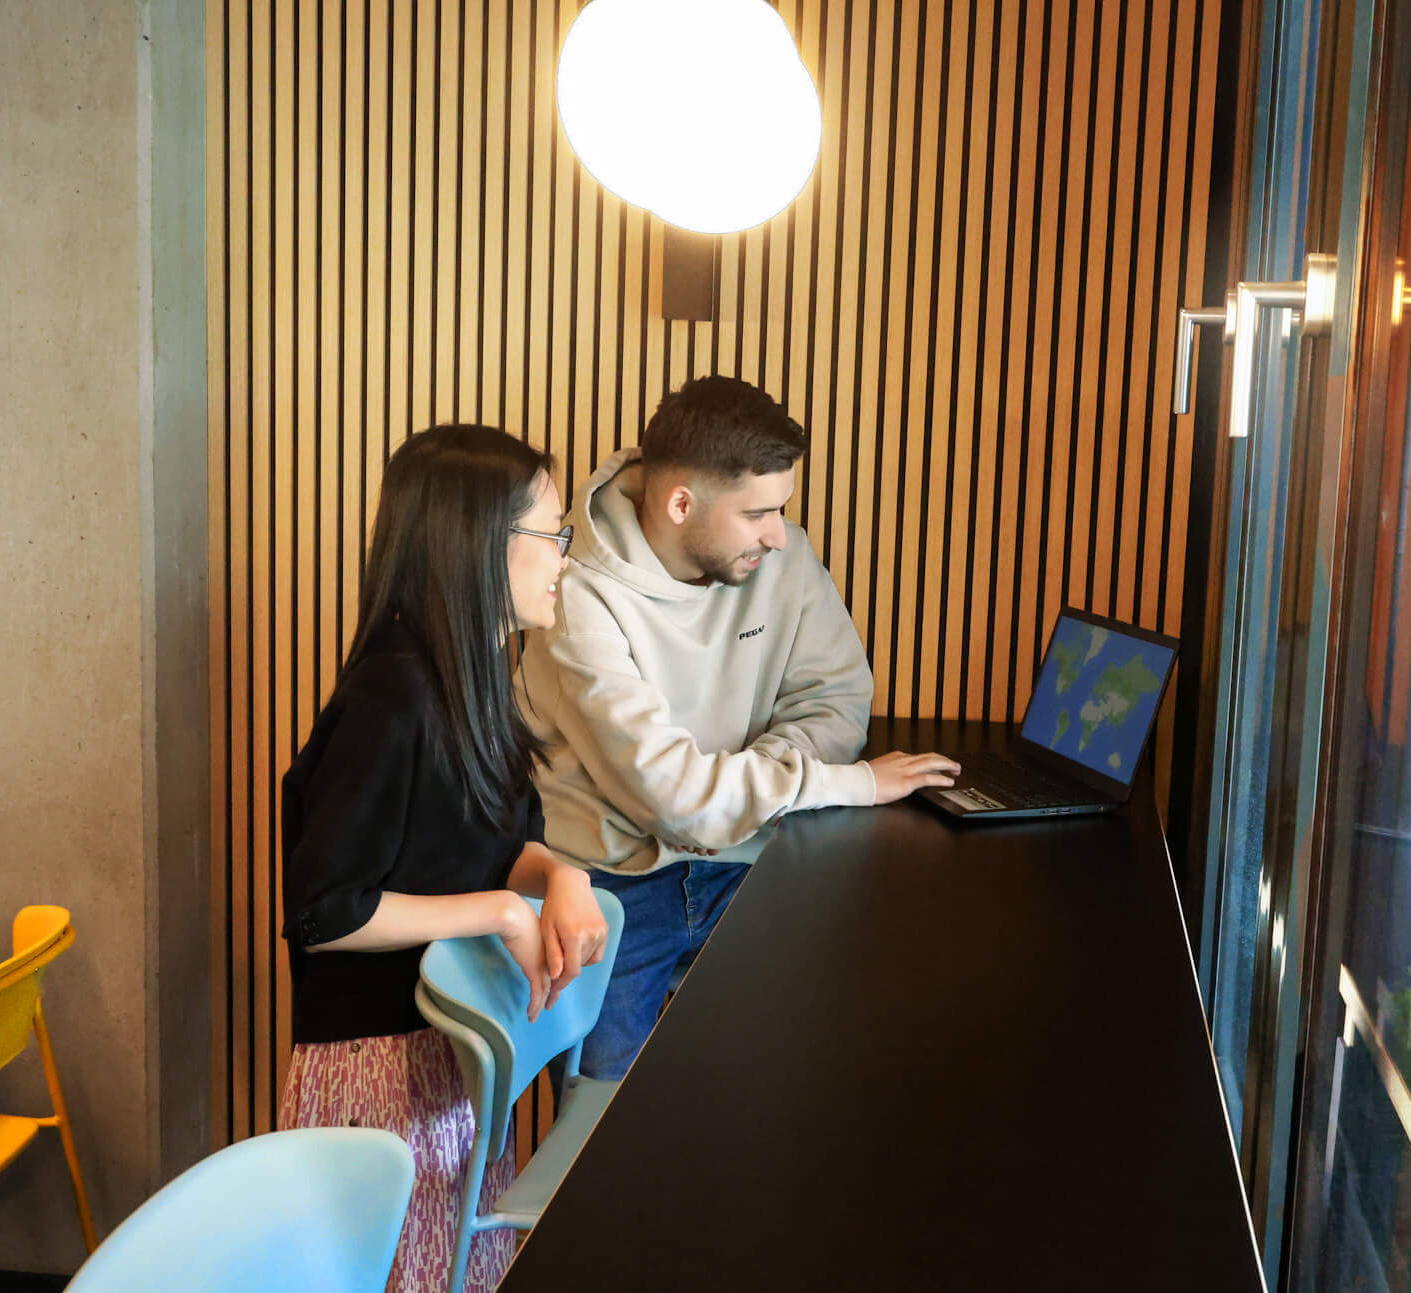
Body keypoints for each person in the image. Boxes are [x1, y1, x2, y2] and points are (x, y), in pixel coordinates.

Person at [519, 375, 959, 1081]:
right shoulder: (578, 595)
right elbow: (671, 793)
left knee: (776, 1091)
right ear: (681, 502)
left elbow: (836, 698)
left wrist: (751, 788)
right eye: (759, 512)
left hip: (751, 862)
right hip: (610, 882)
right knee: (604, 1134)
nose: (779, 533)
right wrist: (843, 785)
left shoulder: (781, 558)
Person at [278, 423, 609, 1293]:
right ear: (481, 544)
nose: (564, 558)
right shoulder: (395, 695)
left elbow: (494, 845)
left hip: (446, 1056)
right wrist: (503, 910)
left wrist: (557, 875)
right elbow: (324, 910)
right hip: (375, 1078)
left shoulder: (473, 674)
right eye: (553, 532)